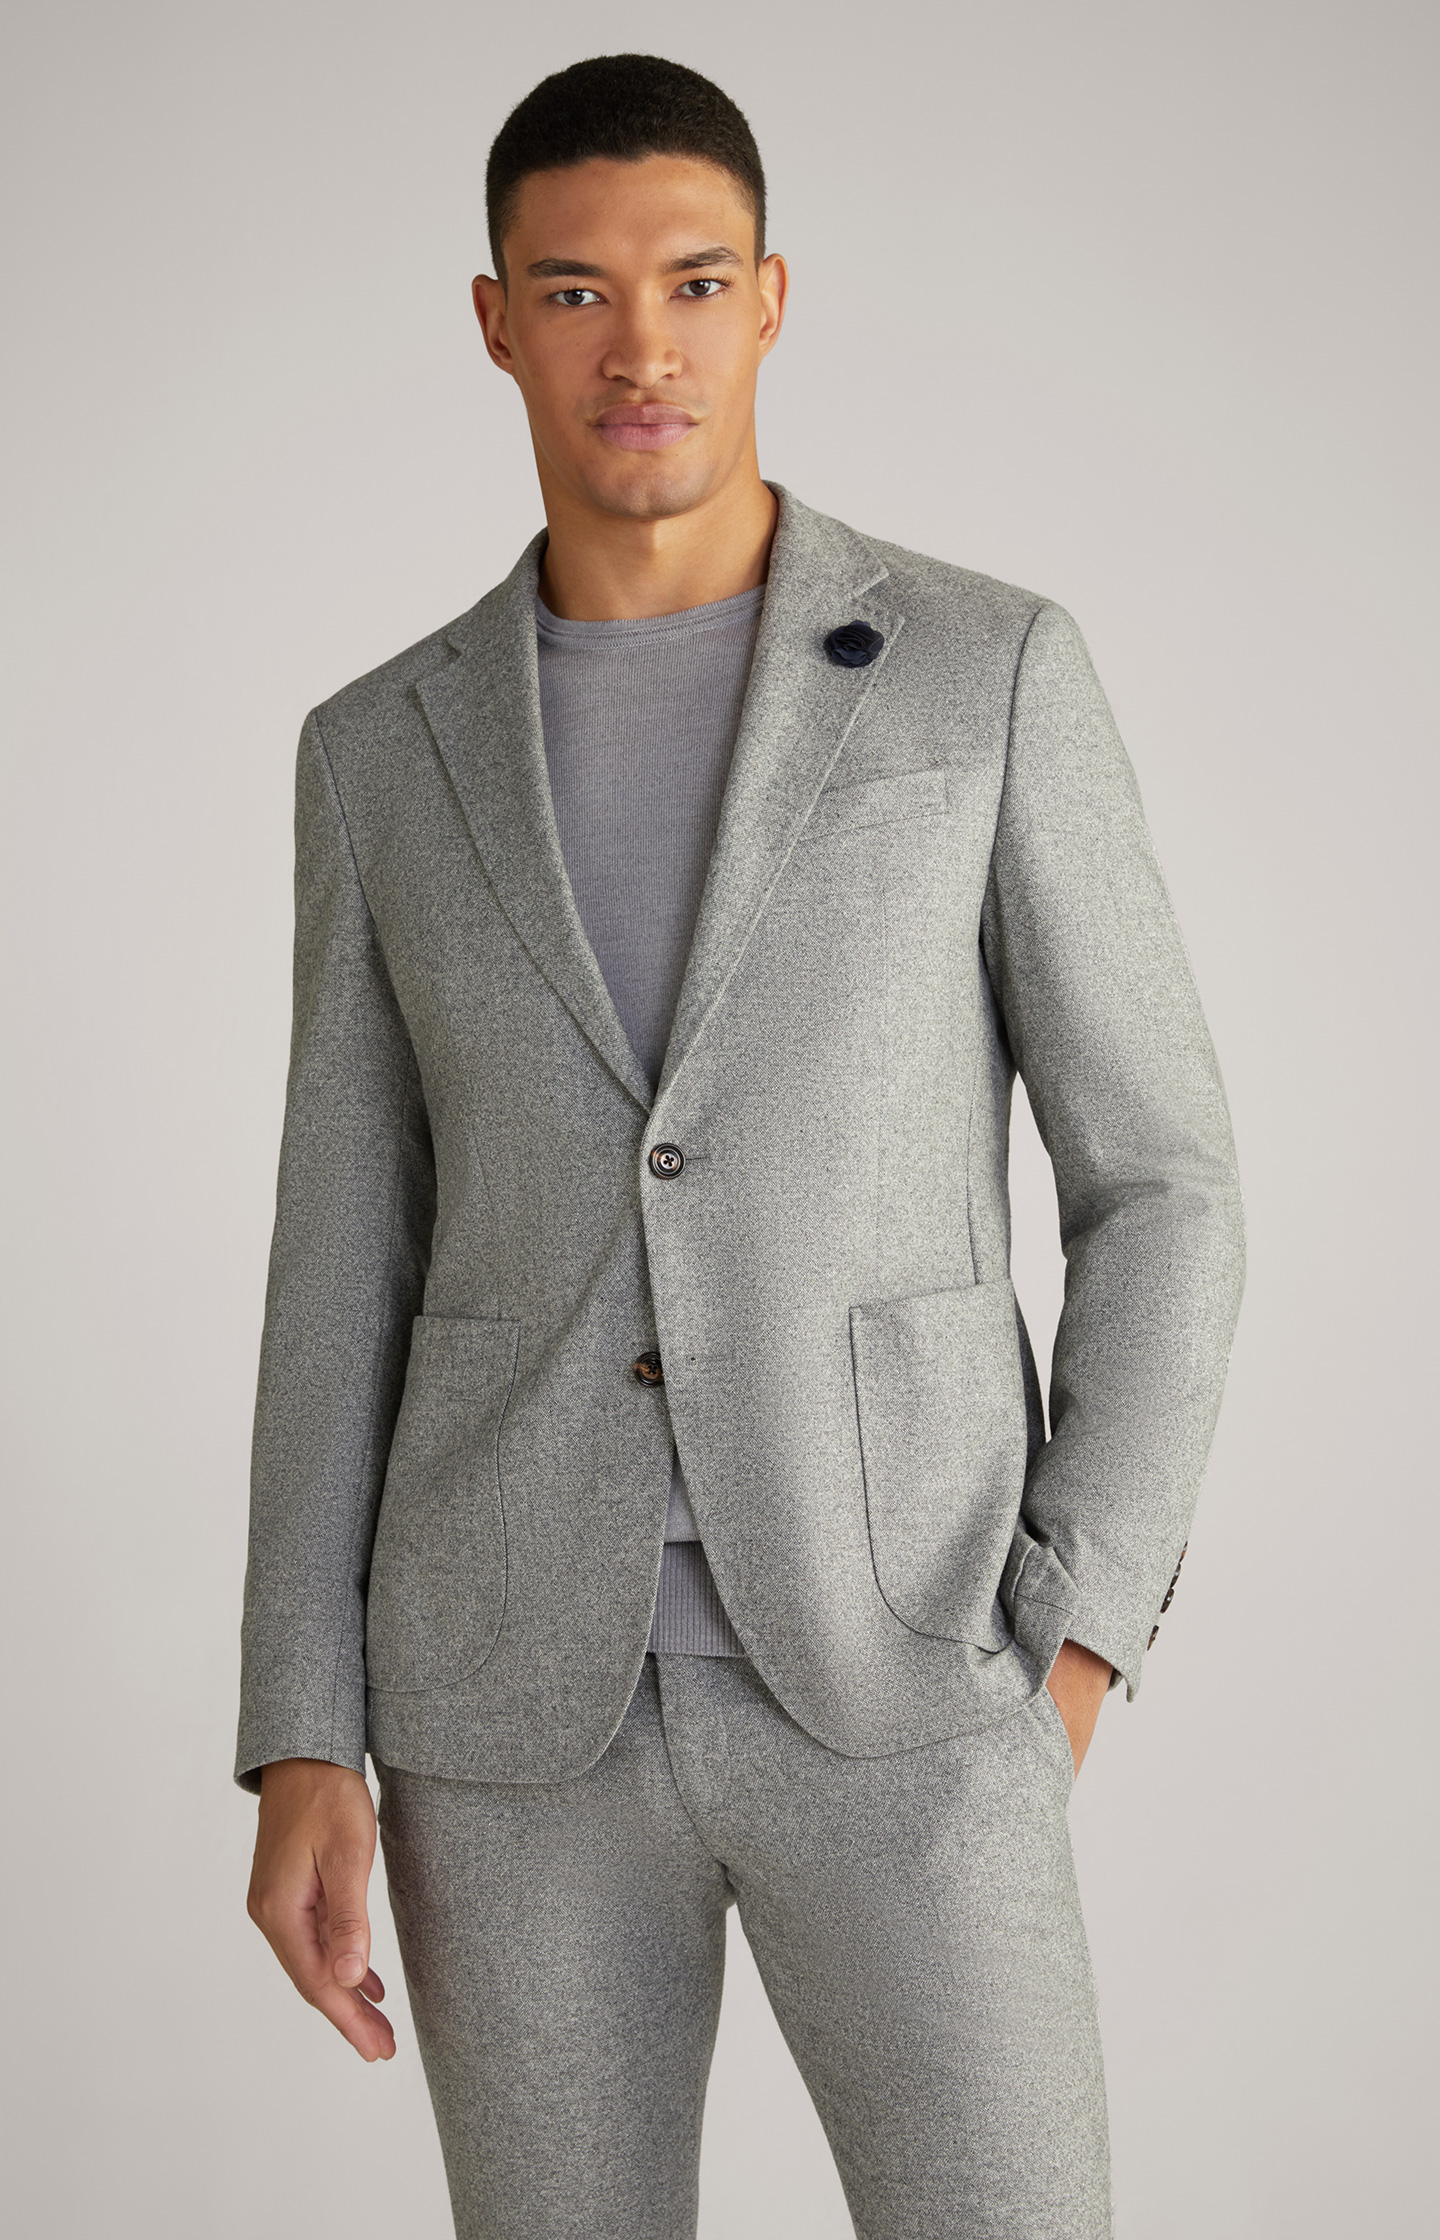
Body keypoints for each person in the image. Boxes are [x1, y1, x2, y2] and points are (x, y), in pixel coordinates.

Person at [238, 52, 1244, 2240]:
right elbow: (341, 1254)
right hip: (505, 1716)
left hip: (911, 1666)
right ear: (496, 321)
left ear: (772, 299)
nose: (643, 346)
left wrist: (1072, 1633)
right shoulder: (377, 754)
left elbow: (1163, 1181)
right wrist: (302, 1727)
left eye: (694, 282)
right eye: (575, 291)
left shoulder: (981, 673)